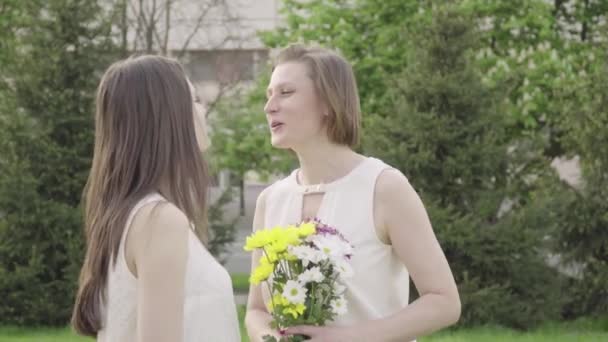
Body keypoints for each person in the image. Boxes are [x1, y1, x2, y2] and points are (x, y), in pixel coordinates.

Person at [245, 44, 461, 342]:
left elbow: (444, 301)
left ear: (328, 102)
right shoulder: (270, 200)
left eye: (285, 92)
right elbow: (256, 310)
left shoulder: (384, 187)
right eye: (269, 95)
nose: (269, 106)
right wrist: (271, 338)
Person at [71, 55, 240, 342]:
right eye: (194, 99)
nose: (203, 108)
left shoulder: (131, 214)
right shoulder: (159, 220)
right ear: (166, 116)